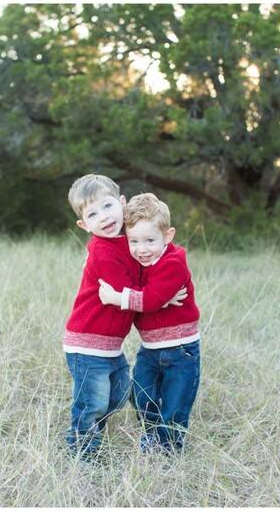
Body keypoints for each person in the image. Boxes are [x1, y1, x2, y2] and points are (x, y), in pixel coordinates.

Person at [98, 192, 200, 454]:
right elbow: (146, 297)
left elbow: (151, 301)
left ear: (168, 236)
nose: (141, 249)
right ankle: (153, 435)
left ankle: (169, 447)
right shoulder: (139, 263)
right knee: (142, 394)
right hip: (150, 348)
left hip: (181, 350)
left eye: (149, 240)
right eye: (134, 241)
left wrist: (118, 298)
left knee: (176, 402)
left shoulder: (173, 263)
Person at [62, 174, 140, 459]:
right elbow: (127, 291)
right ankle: (82, 453)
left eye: (107, 206)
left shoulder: (126, 241)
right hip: (86, 344)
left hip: (109, 345)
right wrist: (160, 292)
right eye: (93, 214)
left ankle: (88, 429)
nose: (104, 217)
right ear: (84, 225)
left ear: (122, 204)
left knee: (118, 393)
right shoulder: (102, 251)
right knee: (92, 402)